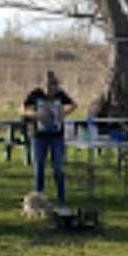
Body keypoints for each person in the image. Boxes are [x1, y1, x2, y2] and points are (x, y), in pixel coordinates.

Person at [22, 69, 76, 211]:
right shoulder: (35, 94)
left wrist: (64, 113)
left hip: (56, 136)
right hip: (39, 136)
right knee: (38, 168)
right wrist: (34, 114)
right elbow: (22, 109)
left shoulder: (60, 95)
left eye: (52, 89)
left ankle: (61, 200)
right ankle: (37, 202)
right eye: (47, 89)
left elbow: (73, 105)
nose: (49, 92)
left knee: (58, 168)